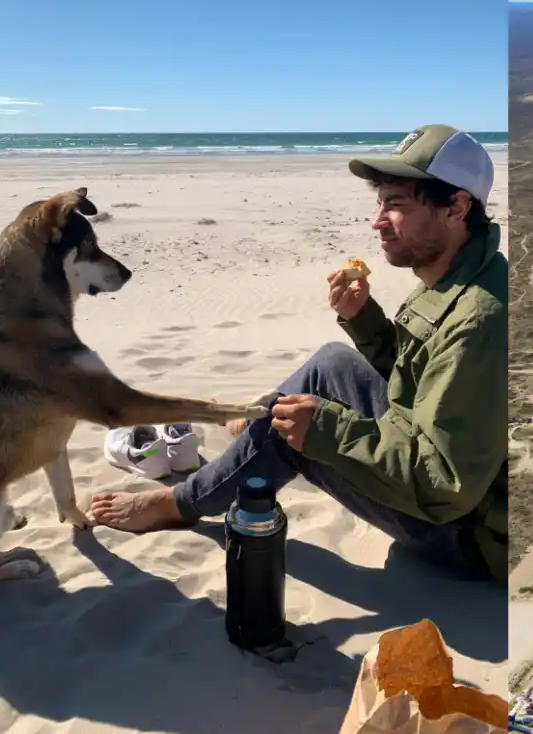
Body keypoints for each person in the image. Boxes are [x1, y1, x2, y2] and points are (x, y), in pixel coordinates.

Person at [90, 124, 508, 581]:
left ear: (457, 207)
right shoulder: (465, 275)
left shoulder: (478, 320)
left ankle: (179, 503)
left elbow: (443, 486)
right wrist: (365, 322)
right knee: (331, 362)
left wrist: (325, 429)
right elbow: (424, 383)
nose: (377, 221)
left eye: (396, 205)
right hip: (462, 488)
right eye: (379, 203)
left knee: (290, 428)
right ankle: (257, 425)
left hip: (469, 535)